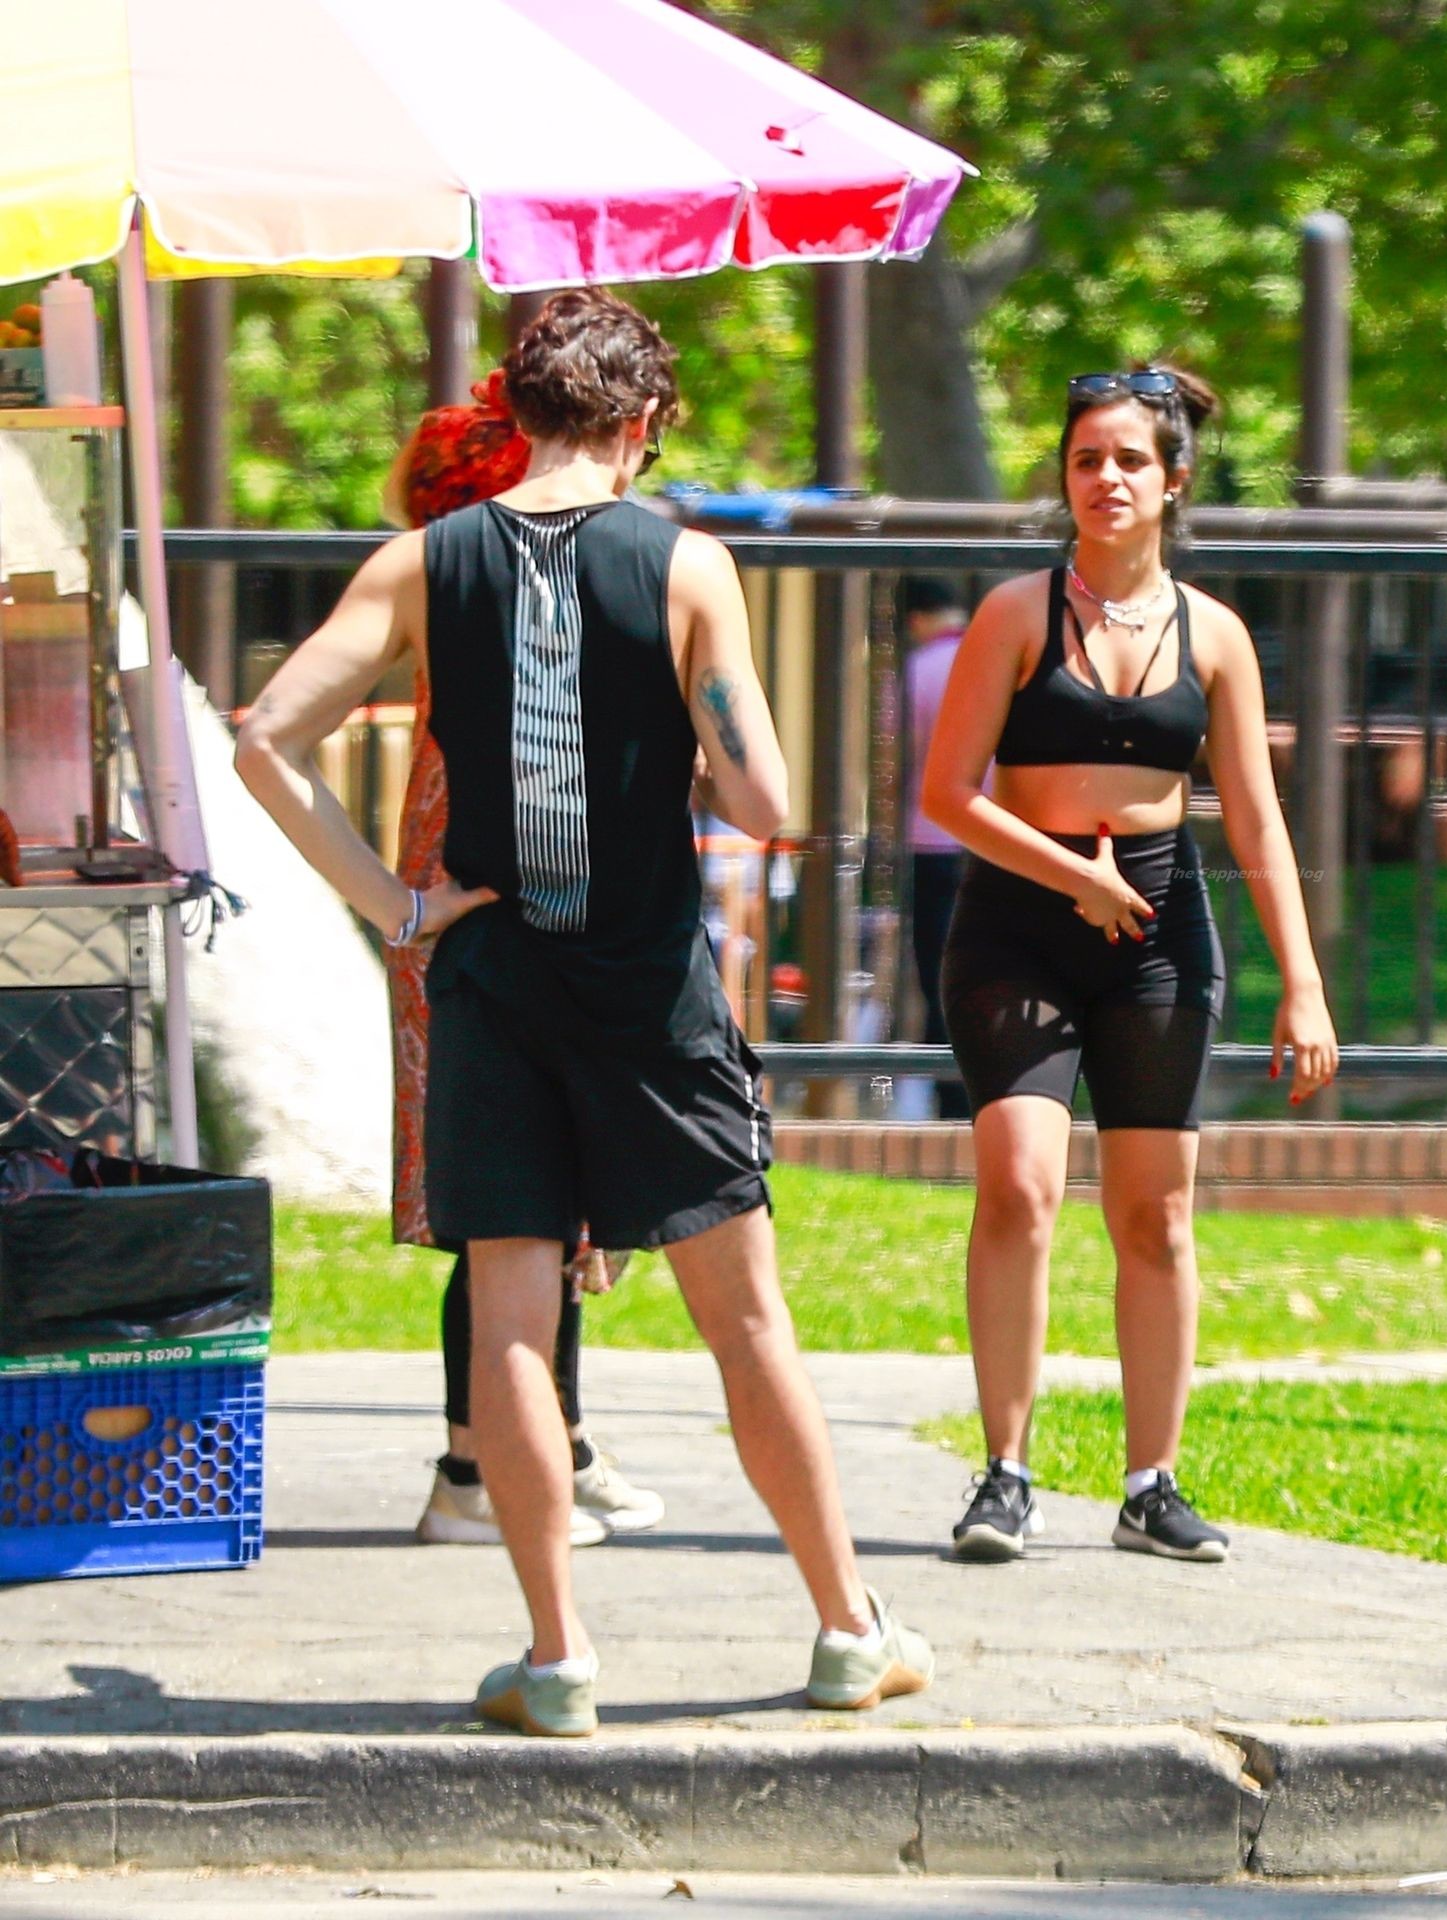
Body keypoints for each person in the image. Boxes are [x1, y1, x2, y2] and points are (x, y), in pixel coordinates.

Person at [236, 288, 933, 1737]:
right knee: (746, 1322)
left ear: (516, 411)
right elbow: (766, 801)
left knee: (511, 1312)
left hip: (491, 979)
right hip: (646, 987)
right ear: (643, 422)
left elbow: (265, 740)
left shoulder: (424, 560)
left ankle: (555, 1658)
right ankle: (847, 1628)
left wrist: (395, 904)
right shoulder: (685, 565)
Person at [922, 364, 1338, 1566]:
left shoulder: (1214, 634)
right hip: (1019, 923)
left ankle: (1149, 1483)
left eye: (1127, 460)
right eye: (1084, 459)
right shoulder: (1014, 614)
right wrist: (1070, 877)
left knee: (1154, 1214)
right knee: (1019, 1185)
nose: (1104, 479)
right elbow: (946, 794)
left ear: (1172, 478)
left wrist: (1301, 983)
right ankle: (1003, 1473)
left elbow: (1252, 815)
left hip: (1157, 929)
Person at [381, 380, 663, 1550]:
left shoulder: (452, 569)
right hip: (490, 886)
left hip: (466, 878)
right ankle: (474, 1466)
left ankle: (557, 1440)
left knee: (544, 1199)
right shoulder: (495, 576)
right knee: (516, 1204)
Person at [902, 576, 973, 1119]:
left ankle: (949, 1095)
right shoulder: (992, 660)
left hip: (931, 839)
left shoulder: (915, 669)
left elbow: (894, 751)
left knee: (938, 972)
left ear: (916, 619)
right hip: (1002, 839)